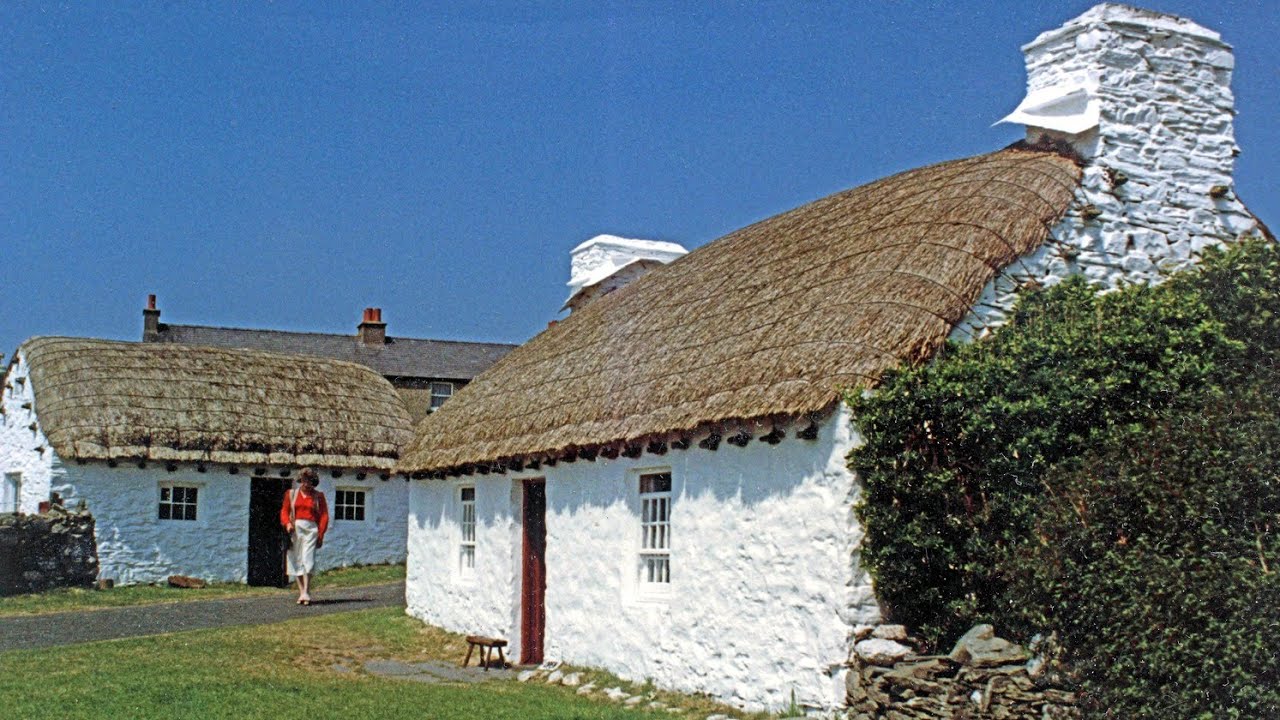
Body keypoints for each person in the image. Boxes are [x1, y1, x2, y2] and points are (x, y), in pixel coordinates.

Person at [280, 468, 329, 605]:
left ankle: (306, 591)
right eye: (304, 480)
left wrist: (321, 533)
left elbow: (324, 516)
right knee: (297, 560)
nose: (307, 483)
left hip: (311, 530)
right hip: (295, 529)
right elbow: (284, 511)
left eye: (310, 481)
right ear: (301, 480)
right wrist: (287, 524)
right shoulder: (291, 494)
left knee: (308, 560)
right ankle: (303, 592)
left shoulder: (319, 496)